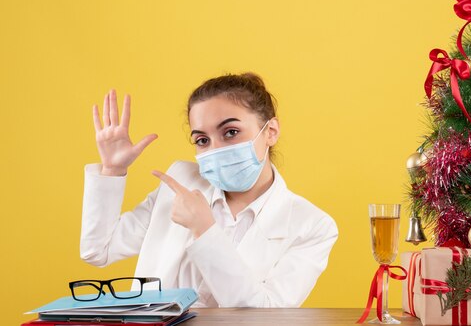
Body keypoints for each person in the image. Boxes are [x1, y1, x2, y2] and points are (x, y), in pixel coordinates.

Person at [80, 73, 338, 307]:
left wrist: (205, 229)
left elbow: (265, 315)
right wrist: (112, 171)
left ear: (270, 131)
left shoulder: (313, 226)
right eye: (202, 140)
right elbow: (98, 250)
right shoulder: (179, 183)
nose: (215, 150)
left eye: (231, 132)